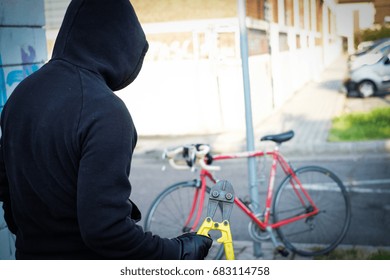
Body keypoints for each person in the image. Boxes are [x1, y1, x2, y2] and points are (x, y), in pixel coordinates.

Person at [0, 0, 212, 260]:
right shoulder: (104, 111)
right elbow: (107, 232)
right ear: (122, 44)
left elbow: (6, 184)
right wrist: (178, 251)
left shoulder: (21, 94)